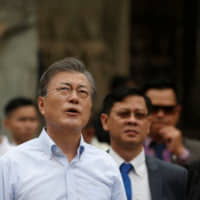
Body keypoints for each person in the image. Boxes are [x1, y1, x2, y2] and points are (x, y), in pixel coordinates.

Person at [0, 57, 126, 200]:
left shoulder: (106, 165)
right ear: (42, 105)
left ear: (90, 107)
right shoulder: (12, 163)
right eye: (64, 89)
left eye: (82, 92)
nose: (74, 98)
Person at [100, 87, 187, 200]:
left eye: (139, 115)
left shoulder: (175, 177)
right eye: (124, 114)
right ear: (105, 121)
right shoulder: (87, 171)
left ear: (148, 124)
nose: (132, 121)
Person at [143, 79, 200, 165]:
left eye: (168, 109)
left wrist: (181, 154)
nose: (160, 115)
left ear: (177, 112)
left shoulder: (197, 149)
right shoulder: (126, 147)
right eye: (153, 108)